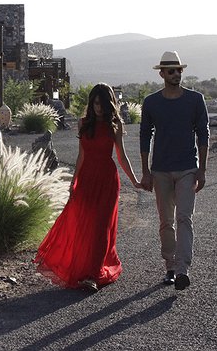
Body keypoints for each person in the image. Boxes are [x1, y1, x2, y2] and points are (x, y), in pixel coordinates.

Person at [34, 83, 142, 292]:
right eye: (95, 103)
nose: (98, 108)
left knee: (102, 226)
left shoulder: (115, 124)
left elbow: (121, 156)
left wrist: (135, 180)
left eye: (101, 104)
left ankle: (93, 275)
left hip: (107, 180)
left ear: (109, 104)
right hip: (86, 179)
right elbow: (81, 155)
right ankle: (83, 268)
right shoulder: (84, 123)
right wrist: (73, 183)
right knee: (85, 224)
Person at [140, 51, 209, 291]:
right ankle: (170, 266)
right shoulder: (151, 102)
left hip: (188, 168)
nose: (176, 74)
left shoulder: (195, 100)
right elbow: (144, 136)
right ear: (161, 74)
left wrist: (202, 170)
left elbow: (203, 135)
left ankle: (182, 270)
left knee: (184, 218)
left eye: (179, 70)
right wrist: (145, 171)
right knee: (165, 221)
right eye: (171, 70)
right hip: (160, 171)